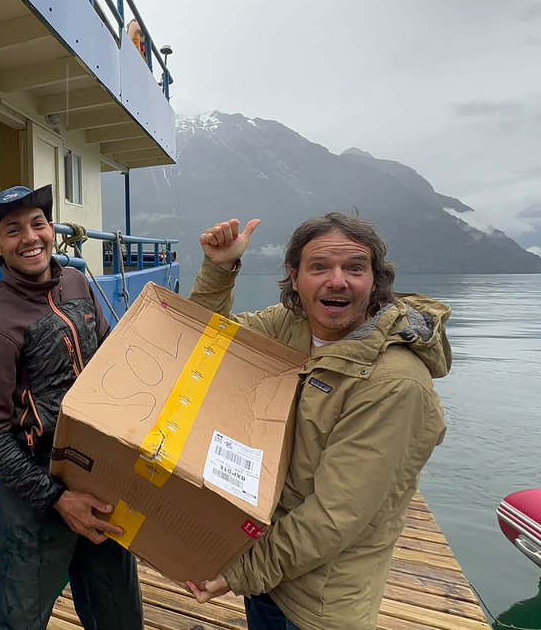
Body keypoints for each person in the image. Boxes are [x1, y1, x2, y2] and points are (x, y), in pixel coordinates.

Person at [184, 214, 450, 630]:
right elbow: (204, 342)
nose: (337, 281)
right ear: (295, 278)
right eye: (319, 267)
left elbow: (335, 514)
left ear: (375, 281)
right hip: (266, 559)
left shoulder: (395, 382)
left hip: (318, 602)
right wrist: (219, 270)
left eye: (355, 268)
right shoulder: (291, 325)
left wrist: (242, 571)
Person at [0, 186, 143, 630]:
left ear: (52, 230)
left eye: (37, 223)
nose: (30, 237)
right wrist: (57, 498)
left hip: (98, 475)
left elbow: (106, 359)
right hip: (35, 492)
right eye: (13, 230)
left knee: (118, 610)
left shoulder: (76, 283)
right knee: (18, 619)